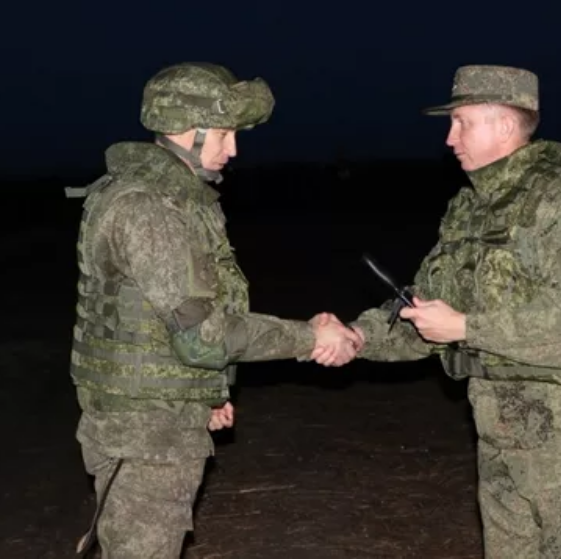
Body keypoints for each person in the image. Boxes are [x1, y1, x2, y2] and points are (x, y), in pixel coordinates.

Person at [65, 61, 361, 558]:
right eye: (224, 134)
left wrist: (205, 392)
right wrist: (310, 337)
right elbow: (204, 337)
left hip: (153, 419)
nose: (234, 149)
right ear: (187, 129)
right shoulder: (151, 209)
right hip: (146, 436)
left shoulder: (162, 197)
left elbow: (163, 322)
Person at [328, 65, 561, 558]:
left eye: (461, 122)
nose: (450, 138)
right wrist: (358, 337)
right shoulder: (471, 208)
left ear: (505, 125)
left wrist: (465, 327)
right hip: (496, 428)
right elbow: (428, 305)